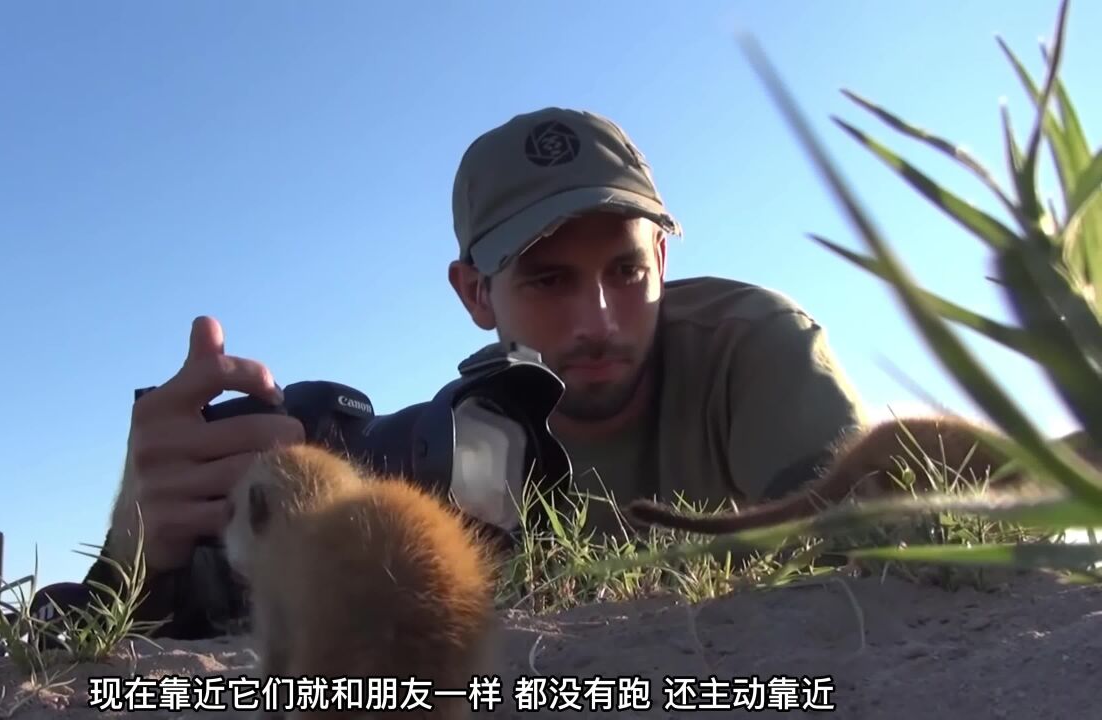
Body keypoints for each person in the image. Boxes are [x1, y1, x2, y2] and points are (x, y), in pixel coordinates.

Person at [73, 106, 868, 640]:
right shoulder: (455, 438)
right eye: (548, 280)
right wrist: (139, 560)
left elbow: (887, 545)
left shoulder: (751, 348)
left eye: (626, 271)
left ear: (663, 257)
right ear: (475, 293)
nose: (598, 318)